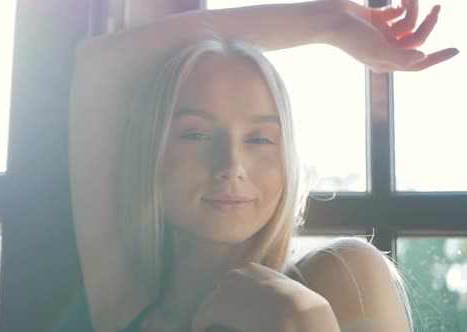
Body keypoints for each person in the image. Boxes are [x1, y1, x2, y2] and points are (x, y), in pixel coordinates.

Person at [68, 0, 459, 331]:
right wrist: (330, 21)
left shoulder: (345, 277)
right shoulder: (127, 307)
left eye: (259, 139)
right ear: (151, 151)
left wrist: (310, 324)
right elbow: (102, 63)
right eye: (196, 135)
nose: (231, 165)